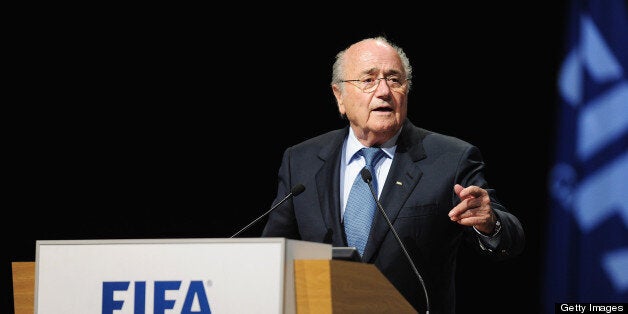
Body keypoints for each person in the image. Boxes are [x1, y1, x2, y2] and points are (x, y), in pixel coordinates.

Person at [261, 36, 525, 314]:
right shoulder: (301, 159)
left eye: (394, 80)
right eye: (368, 80)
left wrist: (489, 222)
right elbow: (273, 253)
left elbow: (510, 238)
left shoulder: (450, 158)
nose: (384, 91)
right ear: (339, 96)